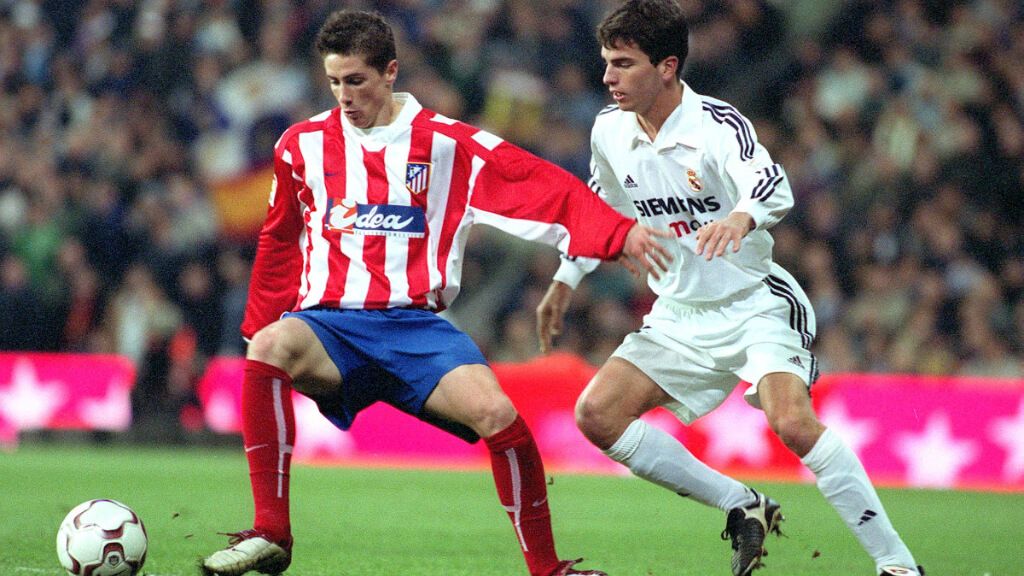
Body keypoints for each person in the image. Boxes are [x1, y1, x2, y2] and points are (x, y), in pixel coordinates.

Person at [201, 9, 672, 576]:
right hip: (330, 327)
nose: (344, 95)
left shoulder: (447, 144)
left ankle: (549, 569)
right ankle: (272, 532)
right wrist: (258, 322)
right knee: (268, 346)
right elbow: (280, 239)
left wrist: (615, 231)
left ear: (391, 71)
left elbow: (537, 184)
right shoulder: (299, 146)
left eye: (357, 80)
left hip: (417, 331)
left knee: (499, 414)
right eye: (334, 82)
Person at [535, 2, 924, 576]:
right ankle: (742, 503)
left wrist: (741, 218)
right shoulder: (608, 132)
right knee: (597, 413)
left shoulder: (716, 124)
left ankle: (898, 566)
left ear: (666, 66)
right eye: (606, 62)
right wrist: (566, 278)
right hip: (679, 314)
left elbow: (770, 183)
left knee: (790, 421)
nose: (607, 77)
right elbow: (603, 214)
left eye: (623, 64)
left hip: (755, 303)